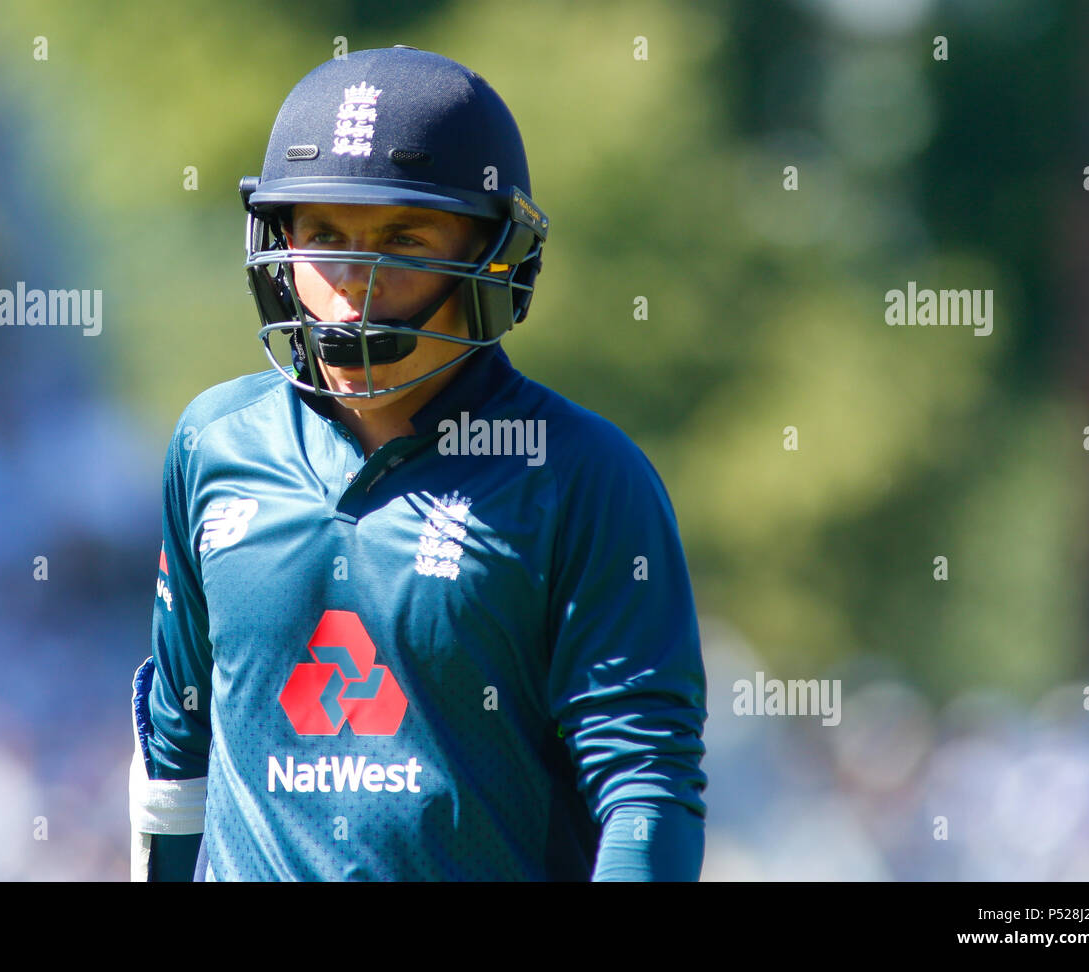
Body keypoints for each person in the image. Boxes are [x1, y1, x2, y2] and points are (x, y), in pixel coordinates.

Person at [129, 46, 708, 881]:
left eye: (402, 240)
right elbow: (177, 750)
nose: (353, 288)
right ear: (279, 244)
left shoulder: (584, 476)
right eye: (325, 235)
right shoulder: (211, 442)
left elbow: (644, 788)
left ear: (494, 256)